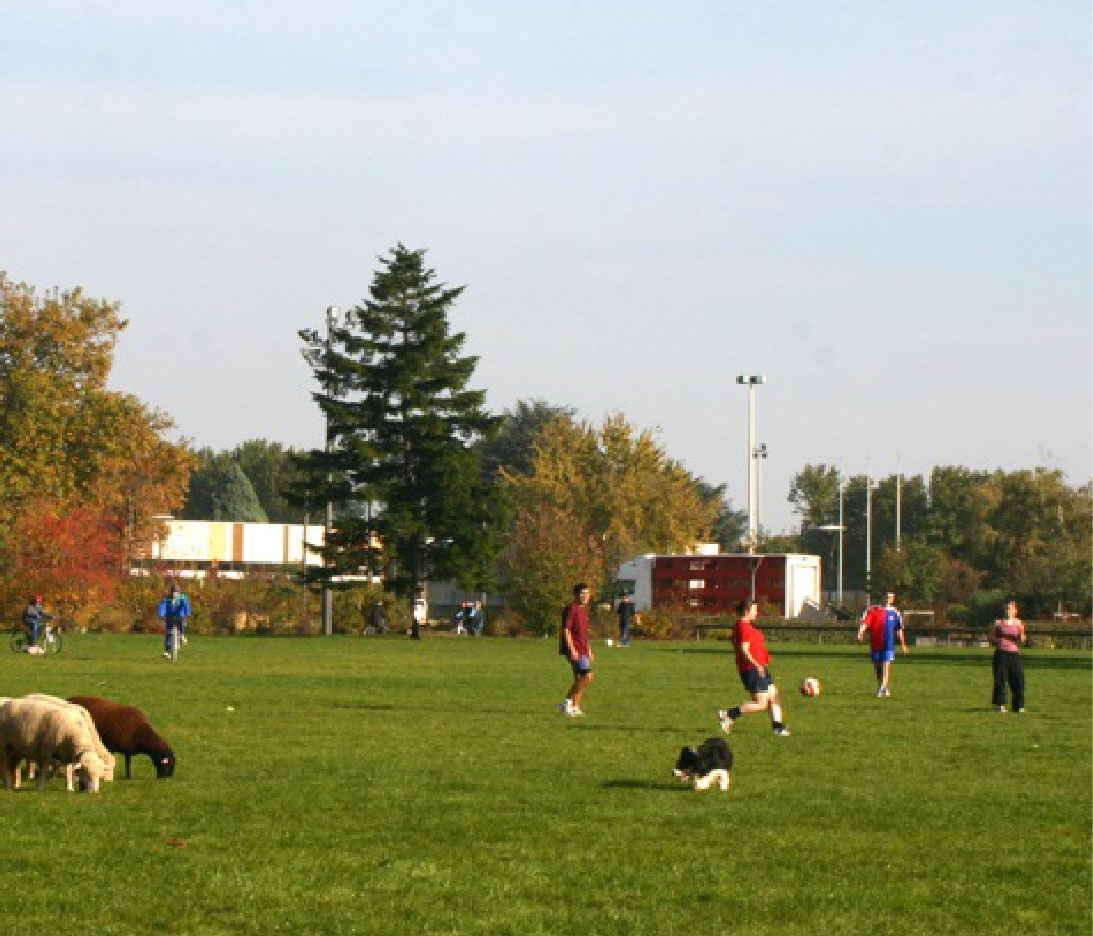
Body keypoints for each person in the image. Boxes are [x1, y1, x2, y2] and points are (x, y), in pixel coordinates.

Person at [718, 599, 790, 736]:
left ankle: (778, 728)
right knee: (761, 704)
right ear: (747, 611)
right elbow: (744, 650)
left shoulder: (744, 626)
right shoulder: (743, 627)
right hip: (752, 669)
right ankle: (729, 714)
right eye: (754, 610)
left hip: (758, 667)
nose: (757, 613)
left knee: (774, 695)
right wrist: (756, 665)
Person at [857, 592, 908, 697]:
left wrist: (903, 645)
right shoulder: (873, 610)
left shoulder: (895, 613)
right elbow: (865, 624)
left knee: (886, 664)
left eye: (890, 597)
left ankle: (882, 688)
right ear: (882, 597)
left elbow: (899, 630)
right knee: (877, 666)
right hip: (875, 643)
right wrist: (860, 633)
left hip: (888, 643)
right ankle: (883, 687)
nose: (887, 599)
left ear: (893, 599)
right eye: (886, 596)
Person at [557, 583, 594, 717]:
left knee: (579, 678)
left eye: (587, 593)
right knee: (587, 677)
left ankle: (575, 706)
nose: (585, 596)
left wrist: (589, 649)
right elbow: (566, 630)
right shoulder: (571, 608)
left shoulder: (583, 609)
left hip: (583, 649)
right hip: (576, 649)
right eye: (582, 593)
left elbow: (584, 632)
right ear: (576, 594)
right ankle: (566, 702)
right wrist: (572, 649)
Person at [991, 600, 1027, 713]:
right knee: (1000, 679)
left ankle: (1019, 706)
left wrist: (1021, 634)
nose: (1008, 611)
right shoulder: (998, 623)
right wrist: (998, 639)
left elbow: (1022, 639)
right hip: (1001, 653)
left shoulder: (1018, 623)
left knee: (1018, 679)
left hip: (1014, 654)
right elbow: (991, 638)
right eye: (1006, 608)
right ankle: (1000, 704)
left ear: (1015, 611)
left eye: (1010, 609)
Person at [158, 583, 191, 659]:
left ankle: (182, 635)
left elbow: (186, 606)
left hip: (180, 616)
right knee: (168, 633)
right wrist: (161, 614)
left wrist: (187, 613)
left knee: (181, 623)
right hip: (170, 617)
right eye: (173, 592)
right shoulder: (167, 599)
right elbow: (162, 606)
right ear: (171, 592)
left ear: (179, 593)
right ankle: (168, 652)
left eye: (176, 592)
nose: (174, 594)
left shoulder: (183, 599)